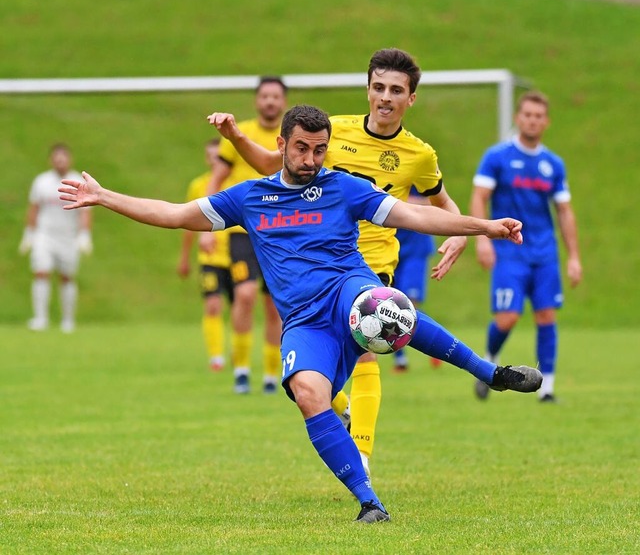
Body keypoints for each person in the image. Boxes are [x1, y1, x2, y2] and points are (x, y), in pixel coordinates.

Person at [59, 104, 542, 523]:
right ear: (282, 144)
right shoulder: (249, 198)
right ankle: (369, 503)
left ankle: (491, 372)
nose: (312, 160)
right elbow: (172, 213)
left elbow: (416, 215)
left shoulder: (344, 188)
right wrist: (105, 197)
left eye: (319, 150)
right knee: (308, 394)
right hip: (305, 322)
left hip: (347, 289)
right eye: (302, 149)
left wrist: (485, 227)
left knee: (383, 306)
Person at [207, 48, 468, 476]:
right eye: (379, 87)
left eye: (396, 90)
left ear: (411, 98)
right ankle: (341, 408)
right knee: (314, 372)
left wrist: (458, 231)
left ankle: (361, 454)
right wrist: (236, 138)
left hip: (371, 264)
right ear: (367, 90)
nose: (385, 97)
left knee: (367, 350)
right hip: (314, 265)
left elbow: (440, 201)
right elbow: (272, 165)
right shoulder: (334, 131)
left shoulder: (419, 155)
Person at [470, 91, 582, 403]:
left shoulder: (552, 164)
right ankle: (488, 359)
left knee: (546, 316)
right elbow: (480, 196)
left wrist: (574, 257)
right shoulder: (497, 157)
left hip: (544, 253)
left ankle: (546, 389)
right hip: (509, 251)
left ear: (545, 122)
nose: (532, 120)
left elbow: (564, 211)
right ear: (518, 118)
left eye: (538, 116)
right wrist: (482, 240)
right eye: (527, 115)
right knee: (508, 317)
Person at [202, 76, 288, 394]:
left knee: (274, 305)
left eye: (275, 97)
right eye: (265, 96)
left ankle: (269, 374)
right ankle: (240, 369)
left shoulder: (290, 137)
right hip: (244, 231)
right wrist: (206, 226)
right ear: (256, 100)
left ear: (284, 102)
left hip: (280, 231)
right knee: (246, 295)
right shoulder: (238, 135)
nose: (270, 102)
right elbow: (217, 177)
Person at [19, 143, 92, 333]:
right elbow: (34, 208)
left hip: (68, 236)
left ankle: (68, 320)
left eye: (64, 157)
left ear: (70, 159)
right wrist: (29, 233)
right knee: (41, 272)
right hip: (45, 235)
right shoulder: (41, 181)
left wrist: (84, 234)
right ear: (51, 160)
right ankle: (40, 318)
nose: (60, 161)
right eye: (57, 157)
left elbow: (85, 211)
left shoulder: (78, 181)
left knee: (66, 276)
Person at [177, 138, 233, 372]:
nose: (213, 159)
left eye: (216, 154)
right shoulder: (198, 186)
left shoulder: (235, 183)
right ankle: (216, 356)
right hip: (209, 258)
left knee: (240, 305)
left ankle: (238, 354)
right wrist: (184, 257)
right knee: (212, 305)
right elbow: (188, 223)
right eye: (209, 154)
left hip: (236, 255)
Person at [392, 187, 441, 373]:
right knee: (388, 302)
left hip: (416, 246)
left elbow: (437, 203)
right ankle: (400, 359)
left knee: (409, 303)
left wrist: (399, 202)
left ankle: (437, 345)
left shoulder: (418, 164)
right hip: (388, 243)